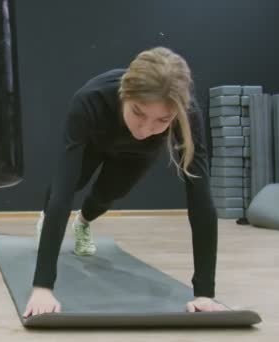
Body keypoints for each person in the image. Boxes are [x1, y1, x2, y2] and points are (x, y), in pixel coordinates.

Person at [25, 47, 226, 317]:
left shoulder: (186, 112)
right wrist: (42, 287)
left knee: (109, 195)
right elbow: (62, 190)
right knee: (70, 185)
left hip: (136, 155)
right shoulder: (90, 100)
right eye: (139, 113)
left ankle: (83, 223)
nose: (145, 129)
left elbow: (200, 198)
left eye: (162, 121)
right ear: (125, 94)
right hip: (96, 140)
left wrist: (205, 293)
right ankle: (46, 218)